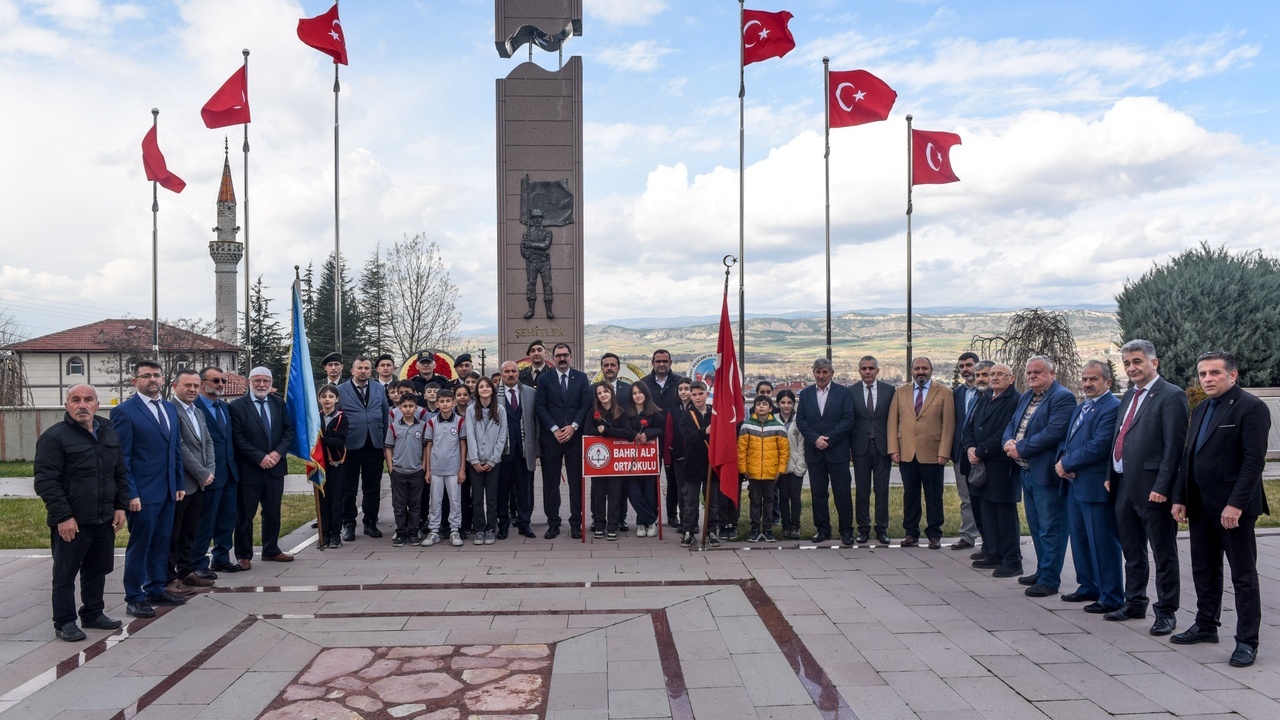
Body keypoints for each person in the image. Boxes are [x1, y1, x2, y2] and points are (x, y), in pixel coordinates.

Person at [1171, 351, 1270, 667]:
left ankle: (1247, 641)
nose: (1208, 379)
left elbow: (1254, 462)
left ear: (1233, 375)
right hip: (1200, 505)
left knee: (1243, 576)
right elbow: (1190, 457)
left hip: (1233, 509)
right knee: (1203, 568)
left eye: (1214, 372)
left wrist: (1236, 504)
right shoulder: (1200, 408)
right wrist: (1180, 497)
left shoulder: (1251, 408)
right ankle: (1206, 625)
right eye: (1202, 374)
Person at [34, 384, 128, 641]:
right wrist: (63, 516)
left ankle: (93, 613)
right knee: (65, 574)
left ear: (97, 404)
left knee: (97, 569)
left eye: (88, 400)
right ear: (67, 406)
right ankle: (64, 622)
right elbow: (46, 481)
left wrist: (120, 506)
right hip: (72, 521)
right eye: (75, 400)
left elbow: (118, 472)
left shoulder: (108, 432)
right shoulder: (55, 437)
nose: (82, 405)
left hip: (103, 518)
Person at [1107, 339, 1188, 636]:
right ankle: (1135, 601)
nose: (1132, 368)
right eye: (1127, 363)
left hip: (1154, 489)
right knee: (1132, 550)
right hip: (1123, 484)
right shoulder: (1128, 396)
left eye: (1137, 361)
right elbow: (1119, 436)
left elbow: (1174, 448)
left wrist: (1164, 486)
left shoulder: (1171, 396)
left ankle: (1166, 612)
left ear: (1154, 363)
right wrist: (1110, 473)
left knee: (1163, 553)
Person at [112, 360, 184, 617]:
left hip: (168, 490)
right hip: (142, 494)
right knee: (140, 545)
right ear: (135, 381)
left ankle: (155, 588)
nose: (152, 380)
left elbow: (174, 448)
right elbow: (123, 458)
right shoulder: (124, 412)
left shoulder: (169, 408)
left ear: (163, 379)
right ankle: (134, 596)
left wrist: (178, 483)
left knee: (162, 542)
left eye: (156, 375)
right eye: (145, 376)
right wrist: (131, 493)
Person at [1001, 356, 1075, 597]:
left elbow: (1053, 432)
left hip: (1046, 474)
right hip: (1026, 471)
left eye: (1038, 372)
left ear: (1052, 374)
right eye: (1029, 372)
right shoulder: (1026, 396)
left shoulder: (1062, 397)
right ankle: (1043, 571)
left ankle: (1050, 579)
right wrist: (1008, 442)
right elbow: (1012, 423)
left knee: (1051, 527)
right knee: (1036, 526)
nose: (1032, 376)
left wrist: (1021, 448)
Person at [1054, 360, 1123, 613]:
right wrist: (1062, 460)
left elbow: (1100, 444)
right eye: (1084, 379)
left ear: (1108, 382)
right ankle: (1088, 586)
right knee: (1081, 540)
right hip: (1074, 483)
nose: (1087, 384)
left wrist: (1068, 462)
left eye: (1093, 379)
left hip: (1095, 486)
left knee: (1102, 542)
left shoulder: (1112, 407)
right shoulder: (1081, 406)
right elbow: (1067, 439)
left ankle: (1111, 595)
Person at [230, 367, 296, 568]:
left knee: (273, 511)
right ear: (249, 382)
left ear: (271, 382)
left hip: (275, 468)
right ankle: (243, 555)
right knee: (245, 514)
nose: (261, 385)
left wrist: (277, 454)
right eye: (257, 380)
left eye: (265, 381)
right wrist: (259, 457)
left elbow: (288, 431)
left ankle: (271, 549)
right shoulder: (237, 406)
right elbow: (237, 438)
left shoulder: (278, 403)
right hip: (250, 469)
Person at [888, 356, 954, 549]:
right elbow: (893, 422)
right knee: (910, 495)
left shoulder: (944, 392)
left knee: (934, 496)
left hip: (933, 454)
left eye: (924, 368)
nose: (921, 372)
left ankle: (934, 534)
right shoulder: (900, 392)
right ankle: (911, 533)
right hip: (907, 453)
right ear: (911, 371)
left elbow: (948, 425)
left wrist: (944, 451)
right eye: (917, 368)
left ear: (931, 370)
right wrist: (894, 448)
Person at [963, 364, 1021, 576]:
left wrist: (980, 450)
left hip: (1000, 465)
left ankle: (1012, 560)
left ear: (1011, 378)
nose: (994, 378)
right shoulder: (986, 397)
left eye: (1000, 374)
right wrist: (969, 447)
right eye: (992, 374)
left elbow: (1004, 432)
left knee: (1004, 515)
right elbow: (970, 426)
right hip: (980, 465)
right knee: (988, 513)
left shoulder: (1014, 401)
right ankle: (994, 553)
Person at [535, 342, 592, 539]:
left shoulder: (581, 378)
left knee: (576, 482)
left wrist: (573, 426)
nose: (562, 358)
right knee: (551, 484)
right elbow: (540, 407)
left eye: (565, 355)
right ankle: (553, 523)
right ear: (552, 357)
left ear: (571, 357)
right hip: (552, 439)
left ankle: (576, 523)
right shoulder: (544, 379)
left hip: (575, 439)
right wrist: (554, 429)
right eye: (558, 355)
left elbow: (586, 404)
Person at [798, 358, 856, 545]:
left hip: (837, 452)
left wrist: (828, 440)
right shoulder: (806, 394)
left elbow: (848, 420)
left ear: (832, 373)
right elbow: (801, 420)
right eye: (818, 372)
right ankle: (822, 530)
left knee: (842, 493)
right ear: (813, 373)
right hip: (815, 452)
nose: (821, 376)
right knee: (818, 493)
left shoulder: (843, 393)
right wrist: (815, 438)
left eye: (825, 372)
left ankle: (846, 531)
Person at [169, 368, 215, 593]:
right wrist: (201, 473)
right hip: (182, 484)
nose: (193, 389)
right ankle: (170, 578)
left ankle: (186, 572)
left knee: (190, 532)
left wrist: (210, 470)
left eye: (196, 386)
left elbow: (207, 442)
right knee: (174, 534)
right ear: (175, 386)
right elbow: (180, 447)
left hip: (199, 484)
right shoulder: (171, 411)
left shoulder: (197, 412)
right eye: (187, 385)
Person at [193, 366, 242, 577]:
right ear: (202, 383)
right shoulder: (193, 409)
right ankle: (198, 563)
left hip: (230, 472)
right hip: (209, 474)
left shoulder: (224, 407)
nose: (220, 384)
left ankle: (221, 558)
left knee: (227, 519)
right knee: (206, 521)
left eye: (222, 380)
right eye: (215, 381)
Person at [338, 356, 390, 540]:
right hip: (350, 445)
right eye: (359, 368)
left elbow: (385, 413)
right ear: (352, 370)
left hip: (374, 444)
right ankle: (349, 524)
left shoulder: (378, 388)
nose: (363, 371)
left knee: (372, 487)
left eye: (367, 368)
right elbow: (337, 417)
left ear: (371, 370)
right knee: (348, 488)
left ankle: (370, 522)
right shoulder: (340, 390)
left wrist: (385, 441)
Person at [639, 349, 686, 529]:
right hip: (650, 439)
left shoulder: (680, 383)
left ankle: (674, 516)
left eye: (665, 361)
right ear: (652, 363)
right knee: (650, 480)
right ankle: (651, 515)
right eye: (658, 361)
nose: (661, 364)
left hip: (673, 439)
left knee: (674, 480)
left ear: (670, 363)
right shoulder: (644, 384)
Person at [850, 355, 894, 545]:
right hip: (860, 448)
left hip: (883, 447)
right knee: (862, 490)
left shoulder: (890, 391)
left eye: (871, 368)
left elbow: (895, 419)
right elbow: (848, 421)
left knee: (882, 490)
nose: (867, 372)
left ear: (877, 370)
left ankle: (882, 528)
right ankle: (863, 528)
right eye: (864, 368)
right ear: (859, 371)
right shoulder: (850, 392)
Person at [738, 395, 787, 543]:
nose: (761, 406)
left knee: (769, 501)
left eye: (765, 404)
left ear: (770, 408)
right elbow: (741, 450)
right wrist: (743, 468)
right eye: (758, 404)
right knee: (755, 501)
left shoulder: (778, 426)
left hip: (771, 473)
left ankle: (767, 529)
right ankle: (754, 530)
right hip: (753, 472)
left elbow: (784, 451)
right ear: (754, 407)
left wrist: (781, 469)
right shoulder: (747, 425)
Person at [422, 389, 467, 548]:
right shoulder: (432, 422)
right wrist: (427, 469)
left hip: (454, 469)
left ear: (453, 402)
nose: (445, 404)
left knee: (455, 501)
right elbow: (428, 446)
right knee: (435, 501)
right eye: (442, 401)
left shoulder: (460, 421)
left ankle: (454, 530)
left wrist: (462, 469)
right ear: (437, 403)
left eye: (448, 401)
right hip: (436, 469)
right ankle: (434, 530)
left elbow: (463, 445)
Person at [498, 361, 538, 539]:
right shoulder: (494, 395)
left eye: (514, 371)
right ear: (501, 374)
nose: (511, 374)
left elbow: (536, 422)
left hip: (524, 450)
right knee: (502, 491)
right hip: (503, 452)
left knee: (524, 490)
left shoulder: (530, 393)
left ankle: (524, 524)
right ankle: (503, 525)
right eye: (506, 371)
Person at [588, 382, 632, 540]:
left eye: (605, 392)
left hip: (617, 461)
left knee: (615, 494)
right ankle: (599, 524)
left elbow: (627, 431)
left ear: (611, 393)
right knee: (598, 494)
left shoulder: (621, 412)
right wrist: (599, 433)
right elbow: (587, 430)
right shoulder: (593, 412)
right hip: (598, 462)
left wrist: (606, 431)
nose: (603, 395)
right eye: (599, 393)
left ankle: (613, 526)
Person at [466, 377, 508, 545]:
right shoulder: (470, 410)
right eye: (480, 387)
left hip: (493, 462)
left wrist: (492, 460)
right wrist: (475, 460)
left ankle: (491, 528)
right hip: (474, 462)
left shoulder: (500, 410)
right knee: (477, 497)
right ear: (477, 391)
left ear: (492, 389)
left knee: (491, 497)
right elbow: (470, 436)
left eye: (487, 386)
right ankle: (479, 528)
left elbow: (502, 437)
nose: (484, 389)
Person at [385, 395, 428, 548]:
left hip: (416, 471)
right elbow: (388, 448)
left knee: (415, 504)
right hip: (399, 471)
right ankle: (401, 531)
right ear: (400, 408)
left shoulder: (423, 426)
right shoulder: (394, 426)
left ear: (416, 408)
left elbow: (425, 447)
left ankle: (413, 530)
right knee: (399, 504)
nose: (408, 409)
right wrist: (391, 468)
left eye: (411, 406)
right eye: (405, 406)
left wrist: (424, 467)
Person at [678, 381, 717, 548]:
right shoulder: (687, 415)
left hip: (712, 465)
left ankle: (711, 531)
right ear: (690, 396)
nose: (697, 397)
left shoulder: (714, 414)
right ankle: (689, 530)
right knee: (690, 502)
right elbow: (688, 436)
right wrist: (704, 432)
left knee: (712, 501)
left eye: (700, 394)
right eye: (694, 395)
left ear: (707, 394)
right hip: (692, 465)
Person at [625, 382, 665, 538]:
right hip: (629, 460)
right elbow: (623, 427)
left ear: (646, 394)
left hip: (648, 459)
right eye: (634, 393)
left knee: (649, 491)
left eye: (640, 392)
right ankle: (651, 519)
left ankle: (644, 523)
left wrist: (647, 434)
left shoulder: (655, 412)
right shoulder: (625, 412)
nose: (637, 395)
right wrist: (631, 434)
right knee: (633, 492)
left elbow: (661, 428)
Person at [950, 352, 982, 551]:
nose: (965, 370)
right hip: (961, 454)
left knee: (985, 498)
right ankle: (968, 535)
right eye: (962, 366)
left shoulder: (986, 392)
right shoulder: (957, 393)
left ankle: (989, 537)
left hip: (983, 454)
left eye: (969, 365)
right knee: (966, 498)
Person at [316, 384, 348, 548]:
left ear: (337, 399)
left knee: (336, 500)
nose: (327, 399)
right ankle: (324, 533)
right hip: (319, 464)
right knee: (323, 499)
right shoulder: (315, 418)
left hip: (337, 464)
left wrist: (321, 440)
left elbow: (339, 441)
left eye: (330, 396)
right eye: (324, 396)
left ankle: (335, 534)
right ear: (319, 398)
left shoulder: (342, 418)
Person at [772, 389, 806, 540]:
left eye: (789, 403)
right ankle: (785, 525)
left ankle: (795, 525)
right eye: (783, 402)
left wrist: (801, 465)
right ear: (777, 404)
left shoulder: (799, 421)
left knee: (795, 497)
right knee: (783, 497)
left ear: (794, 404)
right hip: (780, 467)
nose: (786, 406)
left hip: (796, 464)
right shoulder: (773, 420)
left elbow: (802, 445)